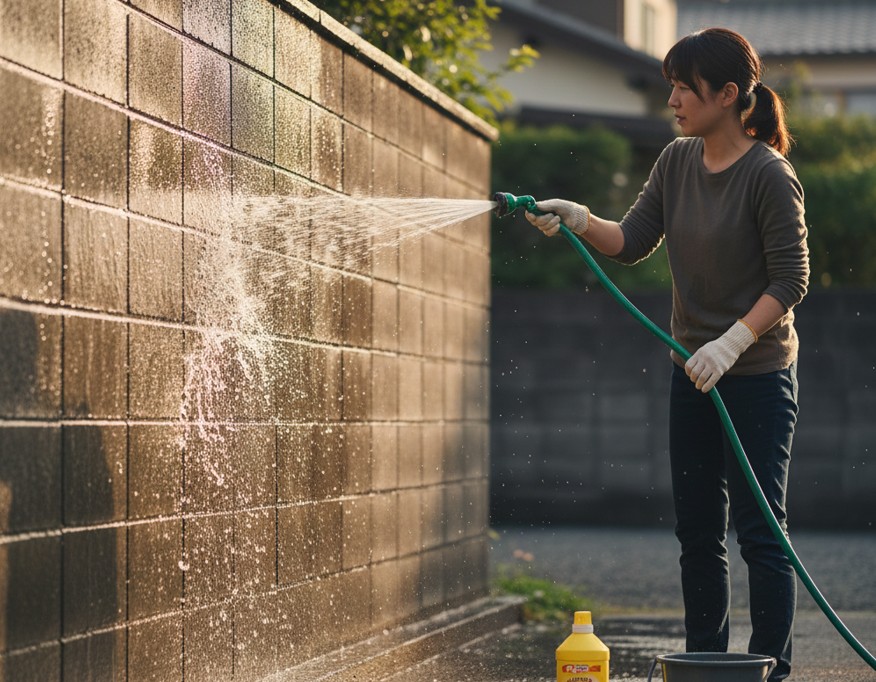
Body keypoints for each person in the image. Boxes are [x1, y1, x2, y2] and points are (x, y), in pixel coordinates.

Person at [525, 28, 808, 681]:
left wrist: (734, 340)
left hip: (758, 375)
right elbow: (631, 240)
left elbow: (791, 280)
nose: (674, 98)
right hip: (694, 375)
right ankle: (707, 666)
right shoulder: (677, 161)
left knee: (763, 534)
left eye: (686, 87)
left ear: (729, 94)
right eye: (672, 85)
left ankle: (773, 671)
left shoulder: (769, 174)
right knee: (698, 533)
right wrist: (578, 218)